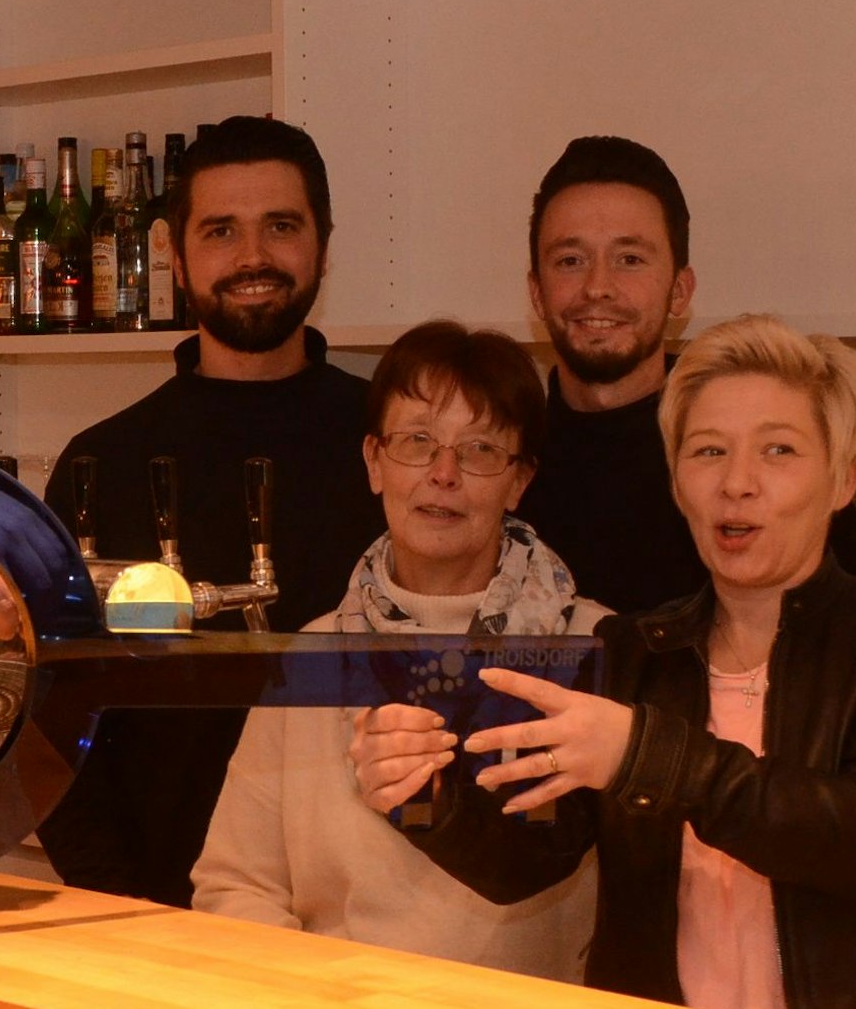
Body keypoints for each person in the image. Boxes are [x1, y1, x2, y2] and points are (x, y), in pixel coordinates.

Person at [355, 314, 856, 1006]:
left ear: (844, 479)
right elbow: (531, 855)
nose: (738, 483)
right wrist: (421, 798)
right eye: (707, 452)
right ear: (676, 480)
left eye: (778, 450)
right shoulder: (636, 650)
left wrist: (648, 756)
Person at [35, 116, 385, 907]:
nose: (253, 257)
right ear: (174, 254)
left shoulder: (397, 450)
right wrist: (124, 910)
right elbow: (52, 728)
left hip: (369, 926)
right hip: (158, 921)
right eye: (221, 230)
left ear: (323, 244)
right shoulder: (101, 464)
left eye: (281, 227)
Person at [192, 320, 602, 978]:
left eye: (479, 450)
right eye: (418, 442)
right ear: (374, 461)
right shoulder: (309, 657)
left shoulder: (591, 646)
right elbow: (235, 885)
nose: (444, 474)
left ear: (520, 481)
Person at [511, 136, 856, 613]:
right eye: (570, 261)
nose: (598, 287)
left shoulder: (755, 461)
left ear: (680, 291)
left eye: (630, 259)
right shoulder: (499, 463)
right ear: (537, 293)